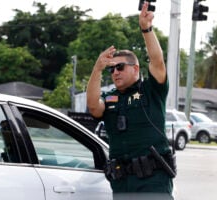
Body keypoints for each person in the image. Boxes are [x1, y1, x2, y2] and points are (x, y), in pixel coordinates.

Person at [86, 1, 174, 198]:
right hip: (122, 183)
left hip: (153, 183)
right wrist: (97, 68)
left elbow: (157, 61)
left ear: (135, 69)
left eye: (120, 67)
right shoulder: (110, 98)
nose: (115, 72)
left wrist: (146, 29)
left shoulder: (152, 90)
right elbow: (93, 106)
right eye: (111, 69)